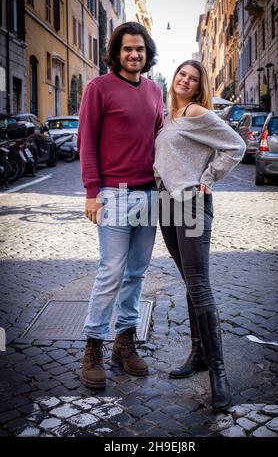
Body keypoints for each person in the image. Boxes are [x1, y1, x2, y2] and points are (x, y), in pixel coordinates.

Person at [154, 60, 245, 412]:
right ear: (174, 78)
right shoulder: (169, 117)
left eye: (192, 79)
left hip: (191, 204)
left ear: (198, 87)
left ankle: (218, 373)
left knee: (199, 284)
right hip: (166, 204)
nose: (185, 80)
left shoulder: (197, 112)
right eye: (181, 74)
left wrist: (209, 177)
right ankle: (198, 355)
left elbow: (235, 145)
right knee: (190, 283)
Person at [77, 22, 164, 389]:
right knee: (111, 271)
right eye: (128, 49)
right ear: (116, 52)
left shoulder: (155, 90)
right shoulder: (98, 88)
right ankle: (93, 345)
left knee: (136, 274)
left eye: (140, 49)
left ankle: (124, 343)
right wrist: (91, 191)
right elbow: (87, 141)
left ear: (147, 53)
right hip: (113, 194)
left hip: (149, 194)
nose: (134, 55)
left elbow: (163, 138)